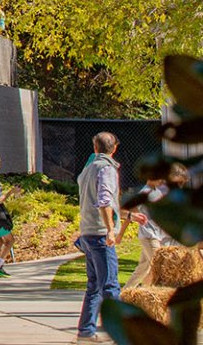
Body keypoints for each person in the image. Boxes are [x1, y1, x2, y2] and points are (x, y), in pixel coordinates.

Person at [74, 132, 123, 344]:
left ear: (95, 148)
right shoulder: (107, 168)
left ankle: (86, 331)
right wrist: (110, 229)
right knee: (110, 286)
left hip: (87, 232)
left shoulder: (87, 170)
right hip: (100, 234)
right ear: (114, 149)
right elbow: (104, 201)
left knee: (94, 285)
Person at [126, 163, 186, 286]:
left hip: (156, 235)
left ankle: (127, 294)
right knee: (160, 266)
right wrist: (137, 217)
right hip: (149, 235)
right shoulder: (146, 192)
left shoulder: (157, 191)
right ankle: (155, 293)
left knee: (143, 269)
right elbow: (130, 209)